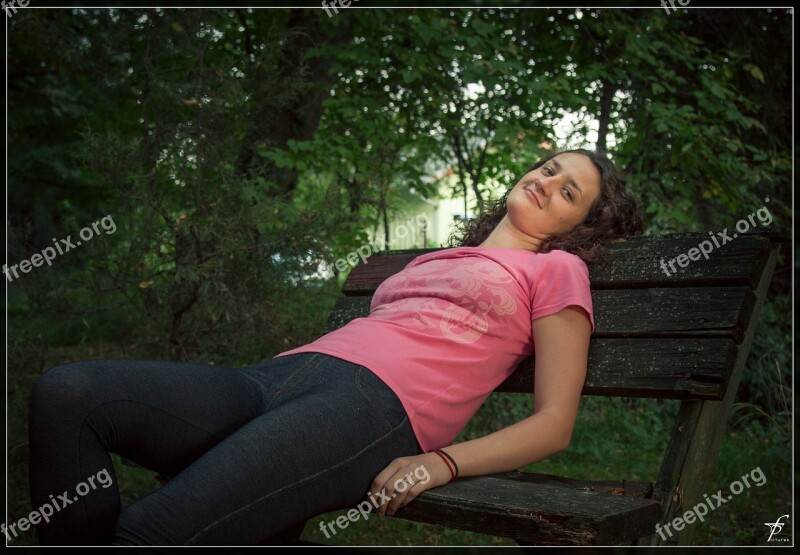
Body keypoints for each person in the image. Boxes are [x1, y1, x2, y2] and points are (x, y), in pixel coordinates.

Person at [27, 148, 643, 546]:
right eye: (551, 170)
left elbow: (555, 424)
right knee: (69, 395)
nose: (548, 182)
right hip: (277, 378)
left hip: (370, 410)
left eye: (569, 193)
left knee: (149, 531)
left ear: (580, 226)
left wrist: (443, 461)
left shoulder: (556, 271)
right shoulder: (442, 256)